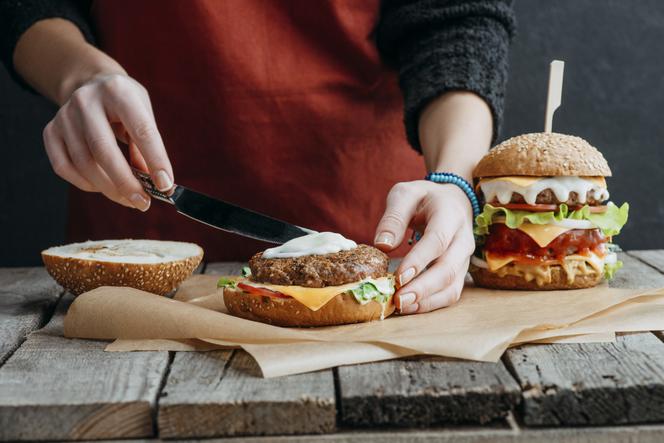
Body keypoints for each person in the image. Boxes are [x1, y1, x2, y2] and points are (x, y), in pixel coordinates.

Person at [0, 0, 515, 314]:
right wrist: (80, 76)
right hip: (136, 201)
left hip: (378, 219)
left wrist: (454, 181)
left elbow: (456, 19)